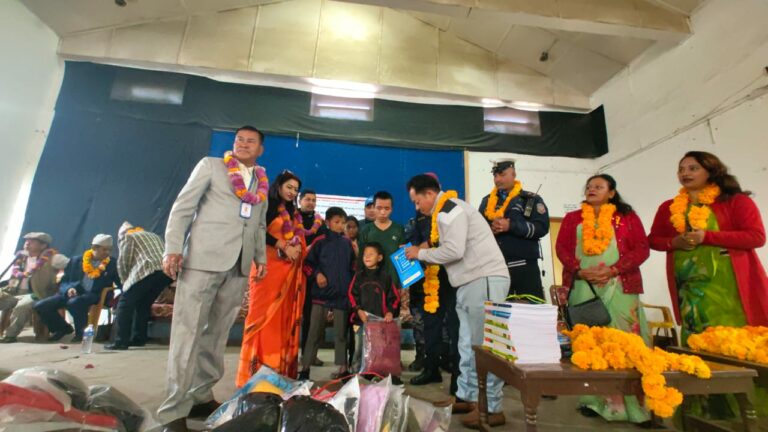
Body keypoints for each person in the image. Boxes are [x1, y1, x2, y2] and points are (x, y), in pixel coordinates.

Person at [156, 125, 268, 432]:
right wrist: (172, 248)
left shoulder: (261, 180)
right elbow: (182, 208)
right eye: (239, 139)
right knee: (187, 334)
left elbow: (259, 224)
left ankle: (200, 396)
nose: (243, 144)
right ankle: (172, 411)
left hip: (239, 266)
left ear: (260, 150)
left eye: (251, 141)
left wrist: (260, 258)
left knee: (217, 334)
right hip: (203, 260)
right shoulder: (211, 166)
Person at [404, 174, 510, 428]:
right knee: (466, 344)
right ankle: (468, 396)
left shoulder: (449, 210)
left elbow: (454, 250)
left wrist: (421, 253)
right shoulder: (445, 212)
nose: (417, 207)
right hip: (467, 282)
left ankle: (492, 407)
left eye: (418, 201)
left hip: (483, 278)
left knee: (485, 346)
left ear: (430, 194)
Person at [556, 174, 651, 424]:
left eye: (598, 186)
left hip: (620, 285)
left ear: (611, 192)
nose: (591, 189)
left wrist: (614, 270)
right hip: (583, 285)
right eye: (589, 186)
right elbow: (562, 248)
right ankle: (592, 401)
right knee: (589, 341)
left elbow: (642, 249)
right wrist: (578, 270)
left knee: (626, 341)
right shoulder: (573, 218)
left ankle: (635, 406)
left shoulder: (627, 217)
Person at [649, 151, 768, 343]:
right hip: (688, 287)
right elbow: (653, 240)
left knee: (736, 341)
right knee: (697, 339)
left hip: (729, 285)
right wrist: (673, 243)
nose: (685, 173)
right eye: (681, 169)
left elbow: (756, 237)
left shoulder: (736, 201)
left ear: (711, 172)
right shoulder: (668, 207)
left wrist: (707, 237)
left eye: (693, 168)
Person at [237, 170, 307, 386]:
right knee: (261, 319)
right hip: (265, 270)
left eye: (296, 189)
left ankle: (278, 371)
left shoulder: (294, 213)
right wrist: (282, 245)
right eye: (289, 187)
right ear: (279, 186)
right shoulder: (266, 205)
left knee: (282, 320)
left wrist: (297, 248)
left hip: (287, 274)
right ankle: (254, 373)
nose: (292, 192)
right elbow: (257, 232)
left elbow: (298, 237)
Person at [299, 207, 355, 380]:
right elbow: (307, 264)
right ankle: (305, 369)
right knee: (314, 333)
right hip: (321, 296)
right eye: (337, 222)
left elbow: (353, 267)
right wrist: (317, 275)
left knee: (340, 335)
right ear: (328, 222)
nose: (340, 226)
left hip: (341, 297)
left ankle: (342, 369)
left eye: (343, 223)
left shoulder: (347, 244)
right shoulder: (319, 241)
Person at [479, 159, 549, 299]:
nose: (497, 179)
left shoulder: (531, 199)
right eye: (495, 176)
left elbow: (542, 227)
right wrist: (490, 230)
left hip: (525, 267)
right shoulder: (487, 201)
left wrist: (511, 226)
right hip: (495, 268)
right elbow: (478, 230)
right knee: (497, 310)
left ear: (514, 174)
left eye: (502, 175)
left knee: (530, 309)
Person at [34, 234, 121, 343]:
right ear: (94, 248)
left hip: (94, 294)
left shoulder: (112, 263)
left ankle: (80, 333)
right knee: (40, 306)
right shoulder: (76, 260)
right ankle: (62, 328)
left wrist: (123, 294)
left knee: (74, 302)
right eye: (104, 249)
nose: (107, 252)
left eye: (109, 250)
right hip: (71, 292)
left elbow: (120, 281)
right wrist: (69, 289)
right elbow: (64, 281)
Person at [106, 222, 172, 350]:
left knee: (124, 303)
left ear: (121, 235)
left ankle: (121, 341)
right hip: (164, 273)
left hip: (148, 269)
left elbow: (123, 263)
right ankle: (139, 338)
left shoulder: (128, 237)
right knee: (143, 304)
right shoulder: (153, 235)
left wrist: (125, 284)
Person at [348, 242, 400, 376]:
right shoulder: (358, 276)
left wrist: (389, 312)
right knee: (359, 350)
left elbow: (394, 298)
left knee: (377, 350)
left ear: (380, 258)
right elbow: (351, 295)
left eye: (371, 254)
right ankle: (355, 376)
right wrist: (358, 310)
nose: (367, 257)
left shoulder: (385, 277)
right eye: (365, 254)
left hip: (379, 323)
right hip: (360, 322)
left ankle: (376, 375)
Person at [0, 232, 58, 343]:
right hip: (15, 292)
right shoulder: (20, 257)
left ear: (43, 245)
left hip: (36, 294)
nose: (27, 243)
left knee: (22, 306)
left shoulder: (51, 259)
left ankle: (10, 335)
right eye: (26, 240)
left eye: (32, 241)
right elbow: (14, 276)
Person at [357, 191, 406, 289]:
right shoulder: (366, 230)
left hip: (393, 285)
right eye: (379, 208)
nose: (383, 212)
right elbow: (361, 259)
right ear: (374, 208)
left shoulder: (399, 229)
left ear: (392, 209)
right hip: (370, 285)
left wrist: (403, 285)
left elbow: (403, 258)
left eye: (387, 208)